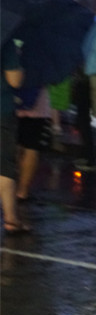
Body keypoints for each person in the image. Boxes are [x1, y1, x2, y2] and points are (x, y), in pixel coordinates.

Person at [0, 40, 31, 234]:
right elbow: (14, 80)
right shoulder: (5, 39)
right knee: (3, 163)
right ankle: (11, 218)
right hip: (1, 109)